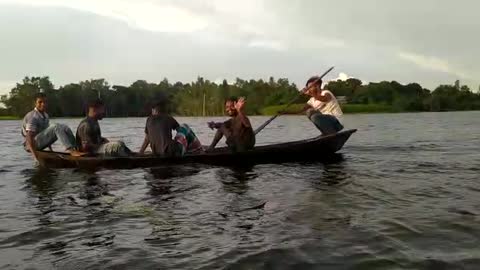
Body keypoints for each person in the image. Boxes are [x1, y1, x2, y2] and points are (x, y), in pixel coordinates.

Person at [22, 92, 83, 161]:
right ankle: (71, 150)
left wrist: (51, 151)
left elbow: (46, 134)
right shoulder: (32, 116)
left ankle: (76, 148)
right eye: (40, 102)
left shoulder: (46, 115)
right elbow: (29, 137)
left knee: (64, 127)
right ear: (35, 104)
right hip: (30, 145)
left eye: (45, 102)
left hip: (38, 142)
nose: (43, 104)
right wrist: (35, 156)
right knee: (56, 126)